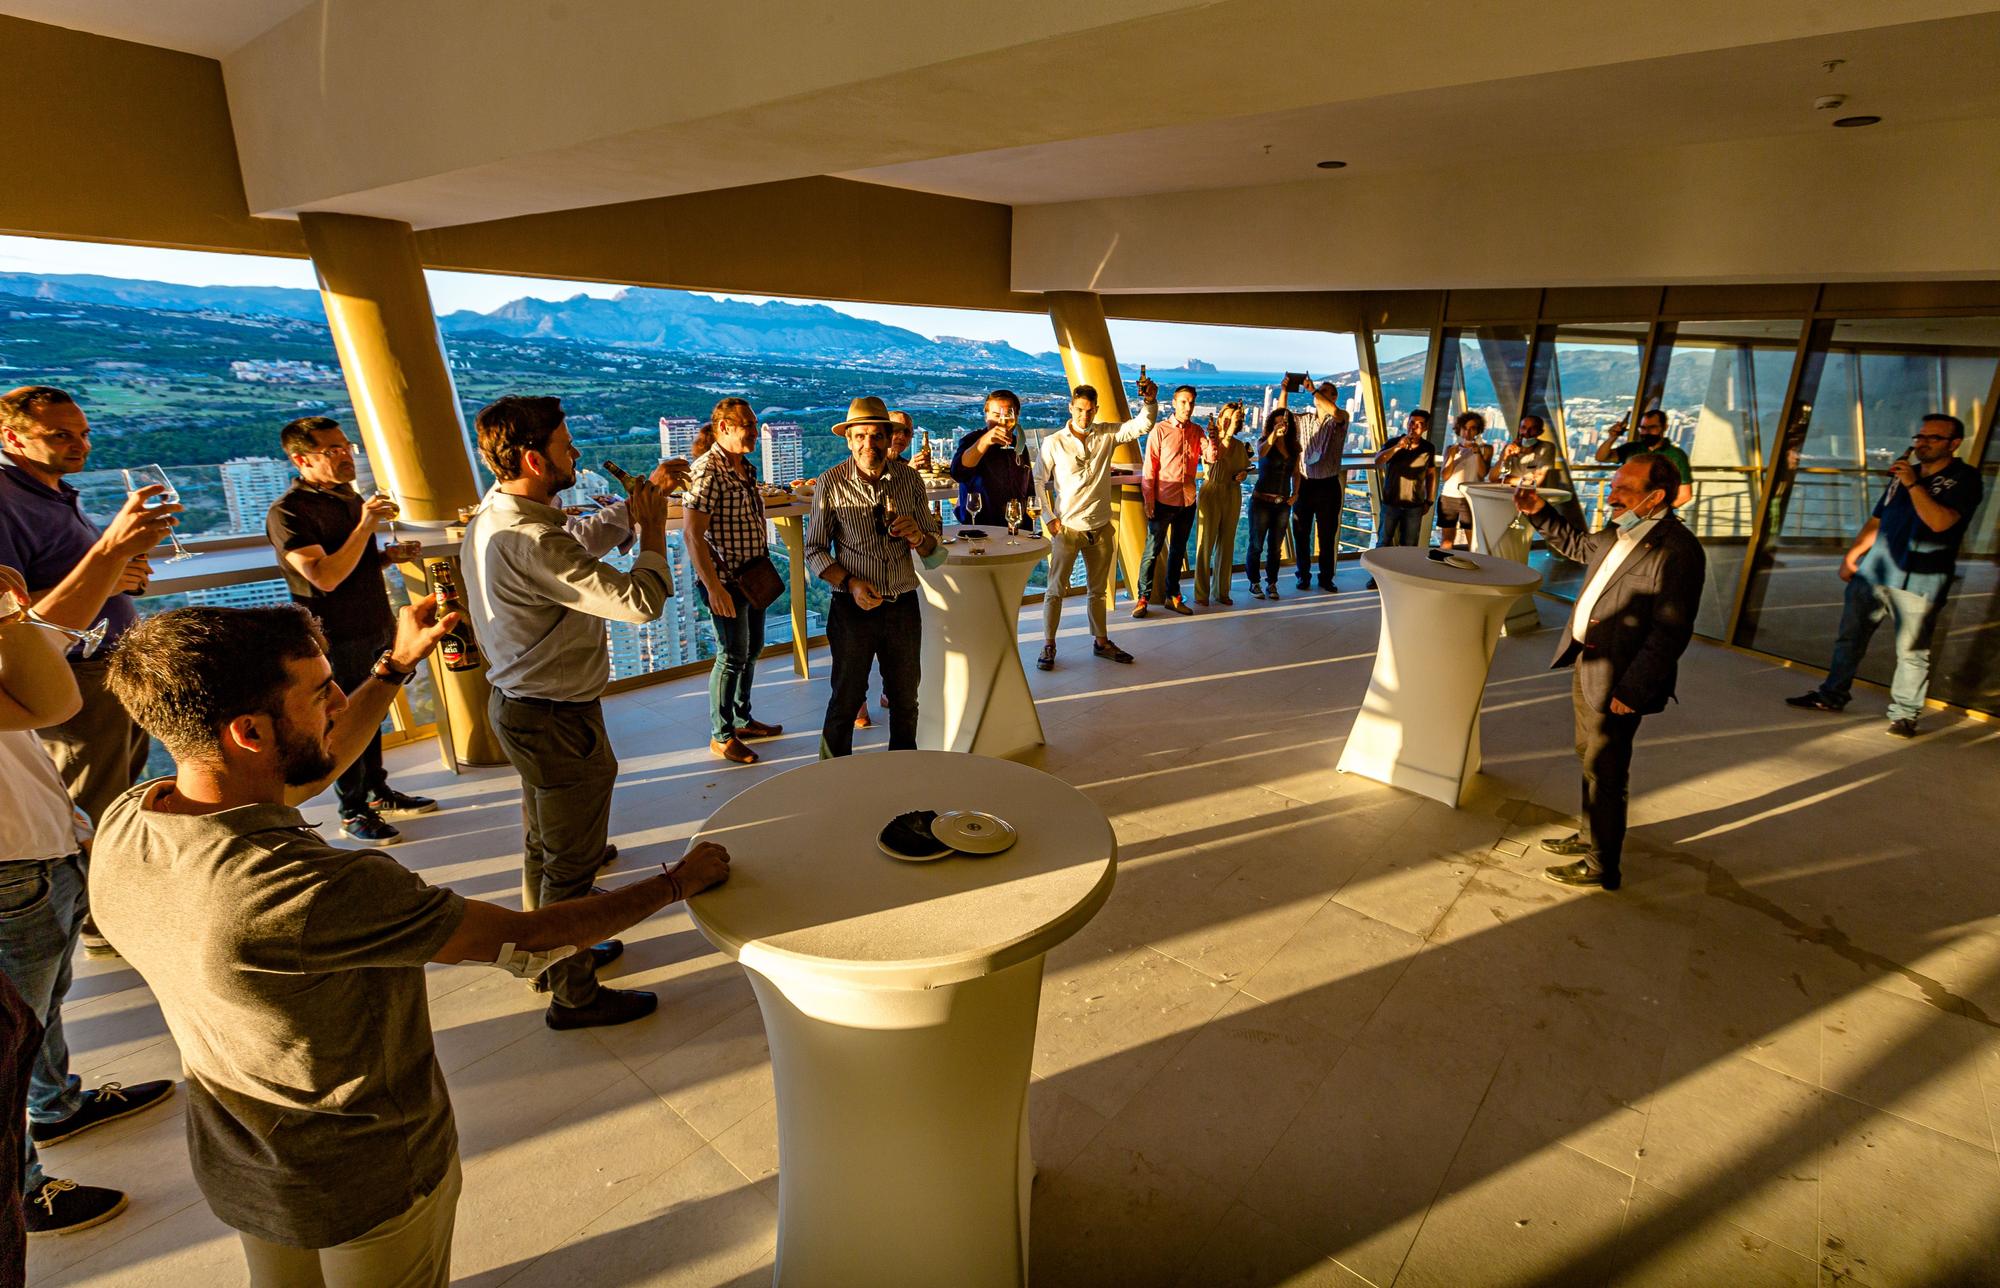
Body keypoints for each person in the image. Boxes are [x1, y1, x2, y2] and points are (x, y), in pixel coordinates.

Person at [91, 600, 730, 1286]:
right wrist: (675, 881)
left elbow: (309, 770)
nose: (337, 701)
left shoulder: (130, 822)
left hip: (243, 1164)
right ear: (249, 730)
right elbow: (529, 940)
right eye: (317, 692)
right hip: (368, 1177)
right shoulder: (310, 889)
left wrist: (395, 667)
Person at [460, 395, 677, 1028]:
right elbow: (639, 601)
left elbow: (574, 542)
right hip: (556, 719)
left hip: (523, 707)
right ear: (533, 457)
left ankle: (550, 956)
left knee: (544, 848)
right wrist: (654, 529)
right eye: (565, 445)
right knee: (573, 865)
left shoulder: (502, 515)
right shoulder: (528, 538)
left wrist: (631, 511)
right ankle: (573, 993)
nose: (576, 453)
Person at [0, 563, 175, 1238]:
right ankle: (22, 1191)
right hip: (12, 861)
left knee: (40, 1011)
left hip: (38, 843)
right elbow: (56, 703)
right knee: (12, 1038)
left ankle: (58, 1105)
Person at [1516, 454, 1706, 890]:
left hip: (1619, 679)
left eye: (1623, 488)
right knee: (1588, 757)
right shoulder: (1621, 531)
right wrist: (1539, 513)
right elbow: (1582, 548)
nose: (1612, 493)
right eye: (1613, 484)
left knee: (1606, 768)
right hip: (1588, 661)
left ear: (1655, 497)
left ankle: (1603, 864)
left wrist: (1635, 689)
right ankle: (1588, 836)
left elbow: (1670, 632)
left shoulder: (1678, 552)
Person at [266, 416, 437, 844]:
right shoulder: (288, 513)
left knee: (374, 710)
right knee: (341, 720)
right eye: (332, 451)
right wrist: (366, 524)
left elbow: (351, 562)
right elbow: (323, 577)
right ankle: (352, 809)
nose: (345, 457)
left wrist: (387, 556)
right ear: (301, 459)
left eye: (347, 447)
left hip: (373, 622)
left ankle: (377, 792)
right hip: (333, 635)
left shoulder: (346, 496)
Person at [0, 388, 156, 832]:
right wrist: (108, 571)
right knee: (94, 808)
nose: (81, 445)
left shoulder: (55, 491)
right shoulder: (5, 501)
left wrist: (124, 574)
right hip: (72, 675)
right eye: (60, 435)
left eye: (84, 434)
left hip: (113, 666)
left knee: (122, 792)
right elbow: (10, 614)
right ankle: (98, 899)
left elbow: (80, 574)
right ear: (12, 437)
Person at [1786, 413, 1983, 738]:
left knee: (1912, 652)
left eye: (1933, 438)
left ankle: (1905, 714)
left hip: (1920, 580)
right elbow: (1878, 520)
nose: (1922, 444)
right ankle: (1831, 695)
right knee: (1849, 639)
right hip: (1874, 572)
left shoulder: (1964, 479)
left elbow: (1940, 522)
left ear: (1954, 444)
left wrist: (1912, 483)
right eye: (1919, 437)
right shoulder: (1905, 475)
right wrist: (1852, 556)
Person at [805, 397, 942, 757]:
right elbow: (814, 551)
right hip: (852, 608)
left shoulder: (910, 480)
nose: (870, 444)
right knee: (846, 700)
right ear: (849, 440)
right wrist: (851, 583)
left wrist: (918, 536)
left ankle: (902, 775)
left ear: (889, 438)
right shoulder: (831, 483)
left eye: (877, 436)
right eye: (861, 436)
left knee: (905, 700)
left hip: (902, 606)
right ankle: (834, 779)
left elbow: (934, 551)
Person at [684, 398, 781, 764]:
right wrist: (713, 588)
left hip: (752, 576)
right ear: (723, 427)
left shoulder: (744, 468)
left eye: (754, 424)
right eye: (748, 426)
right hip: (726, 581)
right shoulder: (708, 471)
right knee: (730, 656)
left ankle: (741, 718)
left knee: (752, 649)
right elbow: (693, 535)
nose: (755, 432)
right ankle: (721, 735)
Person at [1037, 379, 1159, 670]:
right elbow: (1038, 480)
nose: (1084, 415)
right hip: (1067, 528)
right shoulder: (1053, 442)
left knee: (1098, 591)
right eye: (1079, 409)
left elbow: (1141, 426)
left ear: (1096, 410)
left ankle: (1101, 641)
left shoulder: (1106, 434)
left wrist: (1150, 402)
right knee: (1055, 590)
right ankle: (1048, 644)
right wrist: (1049, 519)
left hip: (1101, 527)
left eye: (1090, 410)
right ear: (1071, 407)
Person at [1136, 385, 1203, 618]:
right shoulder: (1160, 430)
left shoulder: (1197, 431)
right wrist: (1149, 500)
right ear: (1174, 403)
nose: (1188, 406)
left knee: (1178, 551)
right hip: (1163, 501)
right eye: (1183, 402)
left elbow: (1212, 457)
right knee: (1152, 551)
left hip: (1187, 502)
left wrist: (1216, 438)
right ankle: (1142, 598)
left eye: (1191, 402)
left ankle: (1172, 596)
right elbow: (1150, 468)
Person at [1285, 379, 1349, 592]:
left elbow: (1336, 413)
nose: (1319, 396)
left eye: (1326, 393)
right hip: (1305, 484)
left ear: (1333, 398)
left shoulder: (1341, 419)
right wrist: (1285, 390)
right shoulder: (1303, 420)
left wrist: (1313, 390)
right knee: (1301, 534)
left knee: (1327, 535)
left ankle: (1326, 577)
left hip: (1328, 486)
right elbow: (1279, 415)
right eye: (1319, 392)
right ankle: (1303, 575)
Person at [1193, 403, 1250, 606]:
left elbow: (1244, 467)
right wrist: (1227, 431)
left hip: (1232, 493)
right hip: (1212, 491)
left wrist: (1243, 474)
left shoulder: (1240, 446)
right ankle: (1201, 593)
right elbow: (1216, 460)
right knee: (1205, 543)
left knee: (1227, 544)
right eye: (1226, 418)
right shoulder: (1212, 442)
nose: (1229, 422)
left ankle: (1222, 591)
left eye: (1233, 418)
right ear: (1219, 420)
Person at [948, 390, 1033, 526]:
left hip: (1015, 528)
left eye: (1008, 414)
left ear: (1016, 416)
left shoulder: (1019, 444)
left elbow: (1028, 489)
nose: (1001, 420)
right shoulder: (971, 440)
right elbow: (958, 473)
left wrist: (1029, 527)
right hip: (980, 527)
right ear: (986, 416)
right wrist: (985, 441)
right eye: (996, 415)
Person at [1373, 409, 1437, 582]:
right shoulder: (1394, 442)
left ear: (1425, 428)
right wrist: (1397, 447)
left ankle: (1403, 578)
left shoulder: (1428, 448)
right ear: (1406, 422)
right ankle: (1377, 577)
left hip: (1414, 505)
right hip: (1391, 502)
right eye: (1411, 422)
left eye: (1419, 424)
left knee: (1409, 546)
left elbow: (1431, 475)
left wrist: (1430, 500)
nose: (1414, 427)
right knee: (1383, 542)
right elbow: (1378, 460)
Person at [1246, 408, 1299, 600]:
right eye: (1277, 423)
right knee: (1257, 544)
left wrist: (1296, 493)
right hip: (1262, 501)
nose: (1281, 426)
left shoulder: (1294, 447)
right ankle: (1254, 582)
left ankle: (1272, 583)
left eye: (1284, 423)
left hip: (1283, 502)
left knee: (1276, 547)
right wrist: (1273, 436)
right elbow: (1261, 453)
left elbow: (1296, 472)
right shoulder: (1264, 442)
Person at [1594, 409, 1693, 508]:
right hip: (1624, 507)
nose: (1646, 432)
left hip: (1652, 513)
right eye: (1643, 428)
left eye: (1652, 427)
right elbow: (1601, 457)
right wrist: (1612, 437)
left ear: (1664, 427)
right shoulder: (1632, 448)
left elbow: (1685, 494)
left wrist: (1655, 514)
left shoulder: (1676, 455)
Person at [1435, 412, 1492, 550]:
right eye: (1465, 428)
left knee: (1472, 539)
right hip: (1449, 497)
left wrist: (1477, 453)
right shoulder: (1451, 449)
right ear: (1459, 429)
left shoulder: (1486, 449)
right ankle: (1443, 566)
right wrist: (1452, 457)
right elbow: (1445, 476)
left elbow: (1482, 473)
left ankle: (1472, 567)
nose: (1468, 432)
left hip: (1470, 498)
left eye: (1472, 428)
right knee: (1447, 539)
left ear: (1478, 430)